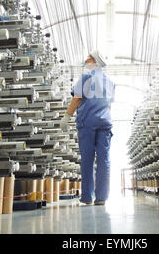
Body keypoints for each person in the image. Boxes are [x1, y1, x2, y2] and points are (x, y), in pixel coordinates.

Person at [60, 50, 115, 205]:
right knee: (104, 160)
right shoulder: (110, 81)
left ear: (95, 62)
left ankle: (87, 197)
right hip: (105, 123)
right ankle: (102, 198)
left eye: (89, 58)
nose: (86, 60)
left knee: (88, 160)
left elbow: (77, 98)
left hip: (88, 123)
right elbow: (109, 106)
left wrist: (67, 116)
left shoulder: (86, 77)